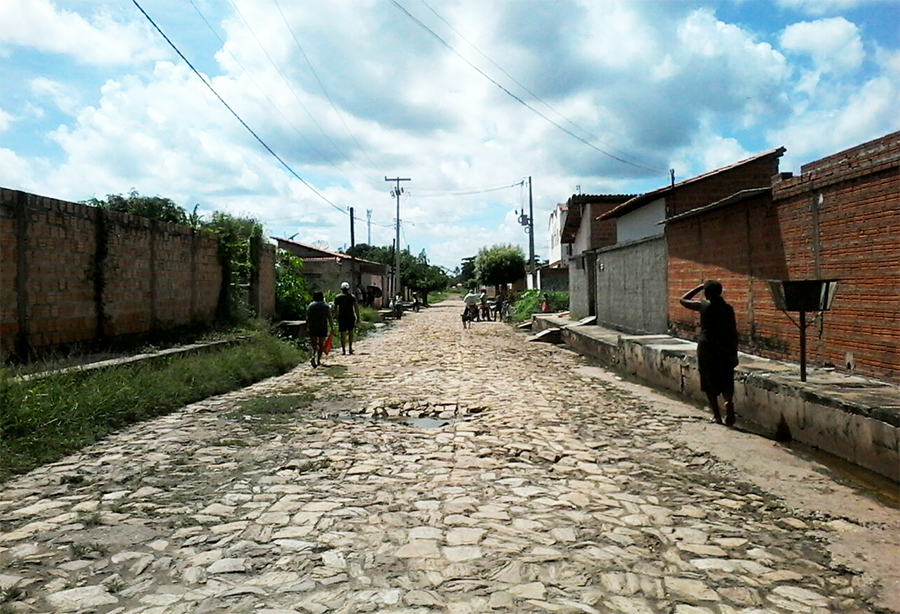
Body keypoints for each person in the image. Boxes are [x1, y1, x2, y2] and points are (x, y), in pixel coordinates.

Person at [680, 280, 739, 426]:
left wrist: (699, 287)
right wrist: (734, 353)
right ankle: (728, 402)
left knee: (708, 379)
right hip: (725, 347)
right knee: (726, 377)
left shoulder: (703, 306)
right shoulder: (728, 309)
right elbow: (733, 332)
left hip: (707, 347)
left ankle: (717, 416)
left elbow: (683, 300)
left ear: (707, 292)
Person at [306, 291, 332, 368]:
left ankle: (313, 356)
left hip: (313, 327)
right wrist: (332, 326)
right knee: (321, 344)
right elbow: (329, 317)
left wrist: (307, 327)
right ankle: (318, 360)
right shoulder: (326, 306)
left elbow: (308, 317)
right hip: (322, 327)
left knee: (314, 344)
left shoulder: (310, 306)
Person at [334, 281, 361, 355]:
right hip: (350, 316)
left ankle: (343, 350)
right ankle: (350, 348)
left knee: (342, 334)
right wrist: (358, 317)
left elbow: (335, 309)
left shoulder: (338, 297)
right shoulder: (352, 297)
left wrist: (336, 317)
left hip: (342, 317)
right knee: (350, 333)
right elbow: (356, 307)